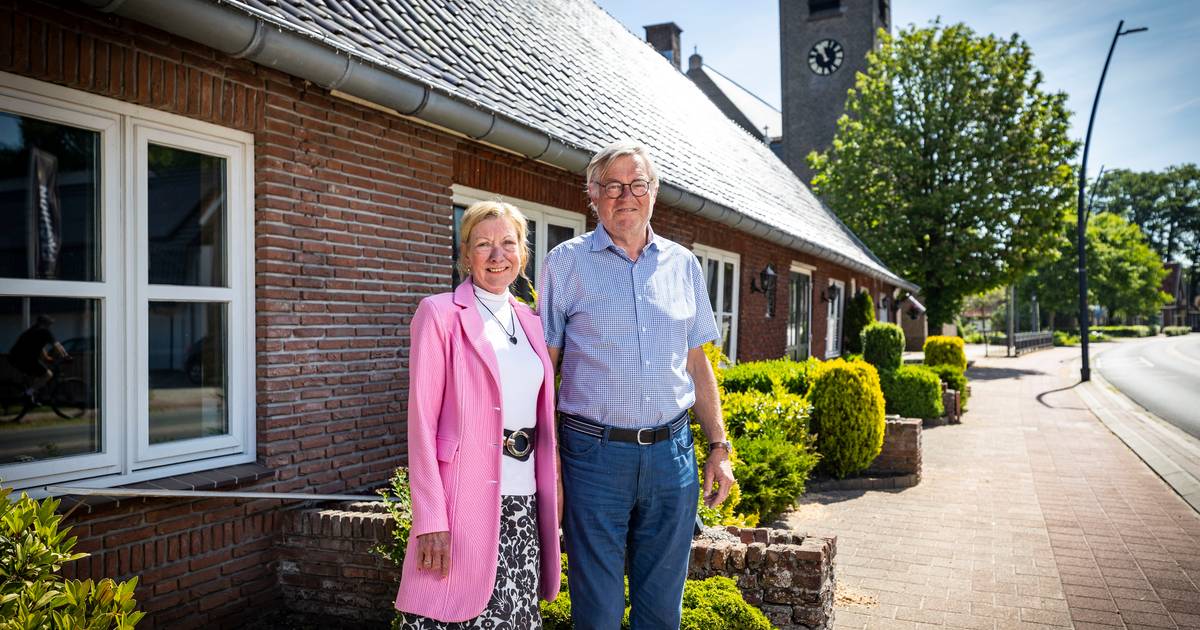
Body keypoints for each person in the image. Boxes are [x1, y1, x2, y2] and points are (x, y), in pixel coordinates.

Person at [539, 140, 736, 629]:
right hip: (593, 457)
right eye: (612, 186)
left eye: (637, 184)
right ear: (592, 195)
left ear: (654, 193)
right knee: (598, 610)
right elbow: (546, 368)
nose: (625, 195)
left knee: (661, 610)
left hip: (672, 458)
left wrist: (719, 445)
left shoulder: (684, 265)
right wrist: (550, 463)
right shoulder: (565, 263)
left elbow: (697, 361)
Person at [395, 200, 561, 628]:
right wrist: (430, 518)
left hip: (523, 504)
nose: (497, 255)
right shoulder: (439, 314)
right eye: (483, 244)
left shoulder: (533, 323)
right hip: (459, 503)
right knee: (451, 615)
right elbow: (421, 426)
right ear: (465, 254)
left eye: (508, 243)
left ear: (523, 254)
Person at [7, 314, 70, 405]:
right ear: (44, 323)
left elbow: (39, 346)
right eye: (49, 323)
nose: (50, 325)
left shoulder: (32, 331)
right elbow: (57, 345)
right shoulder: (45, 331)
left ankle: (31, 397)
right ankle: (28, 394)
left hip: (15, 358)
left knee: (38, 376)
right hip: (24, 359)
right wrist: (66, 356)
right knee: (48, 375)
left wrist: (46, 358)